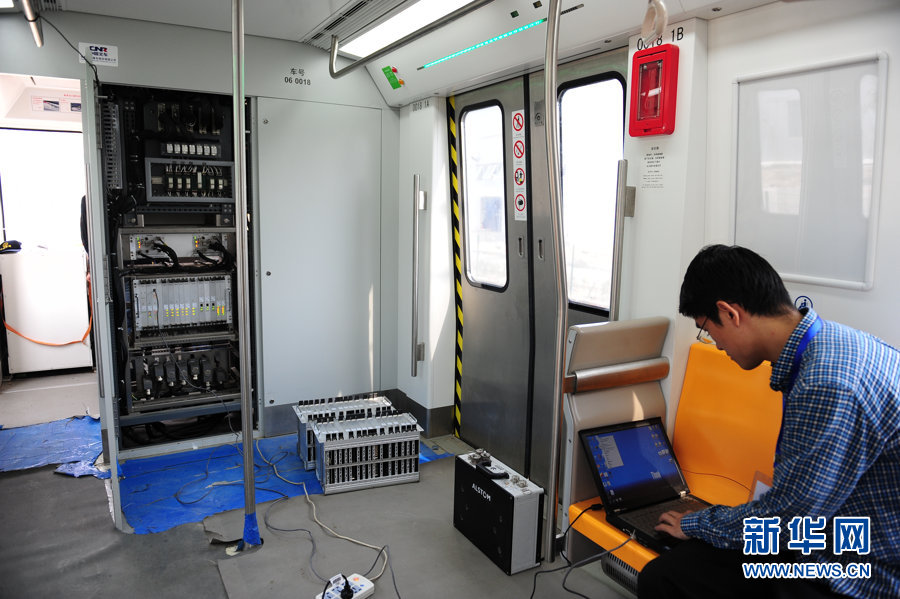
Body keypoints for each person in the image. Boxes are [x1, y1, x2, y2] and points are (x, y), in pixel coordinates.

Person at [637, 244, 900, 598]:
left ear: (729, 313)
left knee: (666, 577)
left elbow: (790, 519)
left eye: (708, 331)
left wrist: (697, 523)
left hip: (863, 571)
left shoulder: (826, 382)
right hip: (836, 531)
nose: (715, 345)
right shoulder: (831, 344)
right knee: (680, 563)